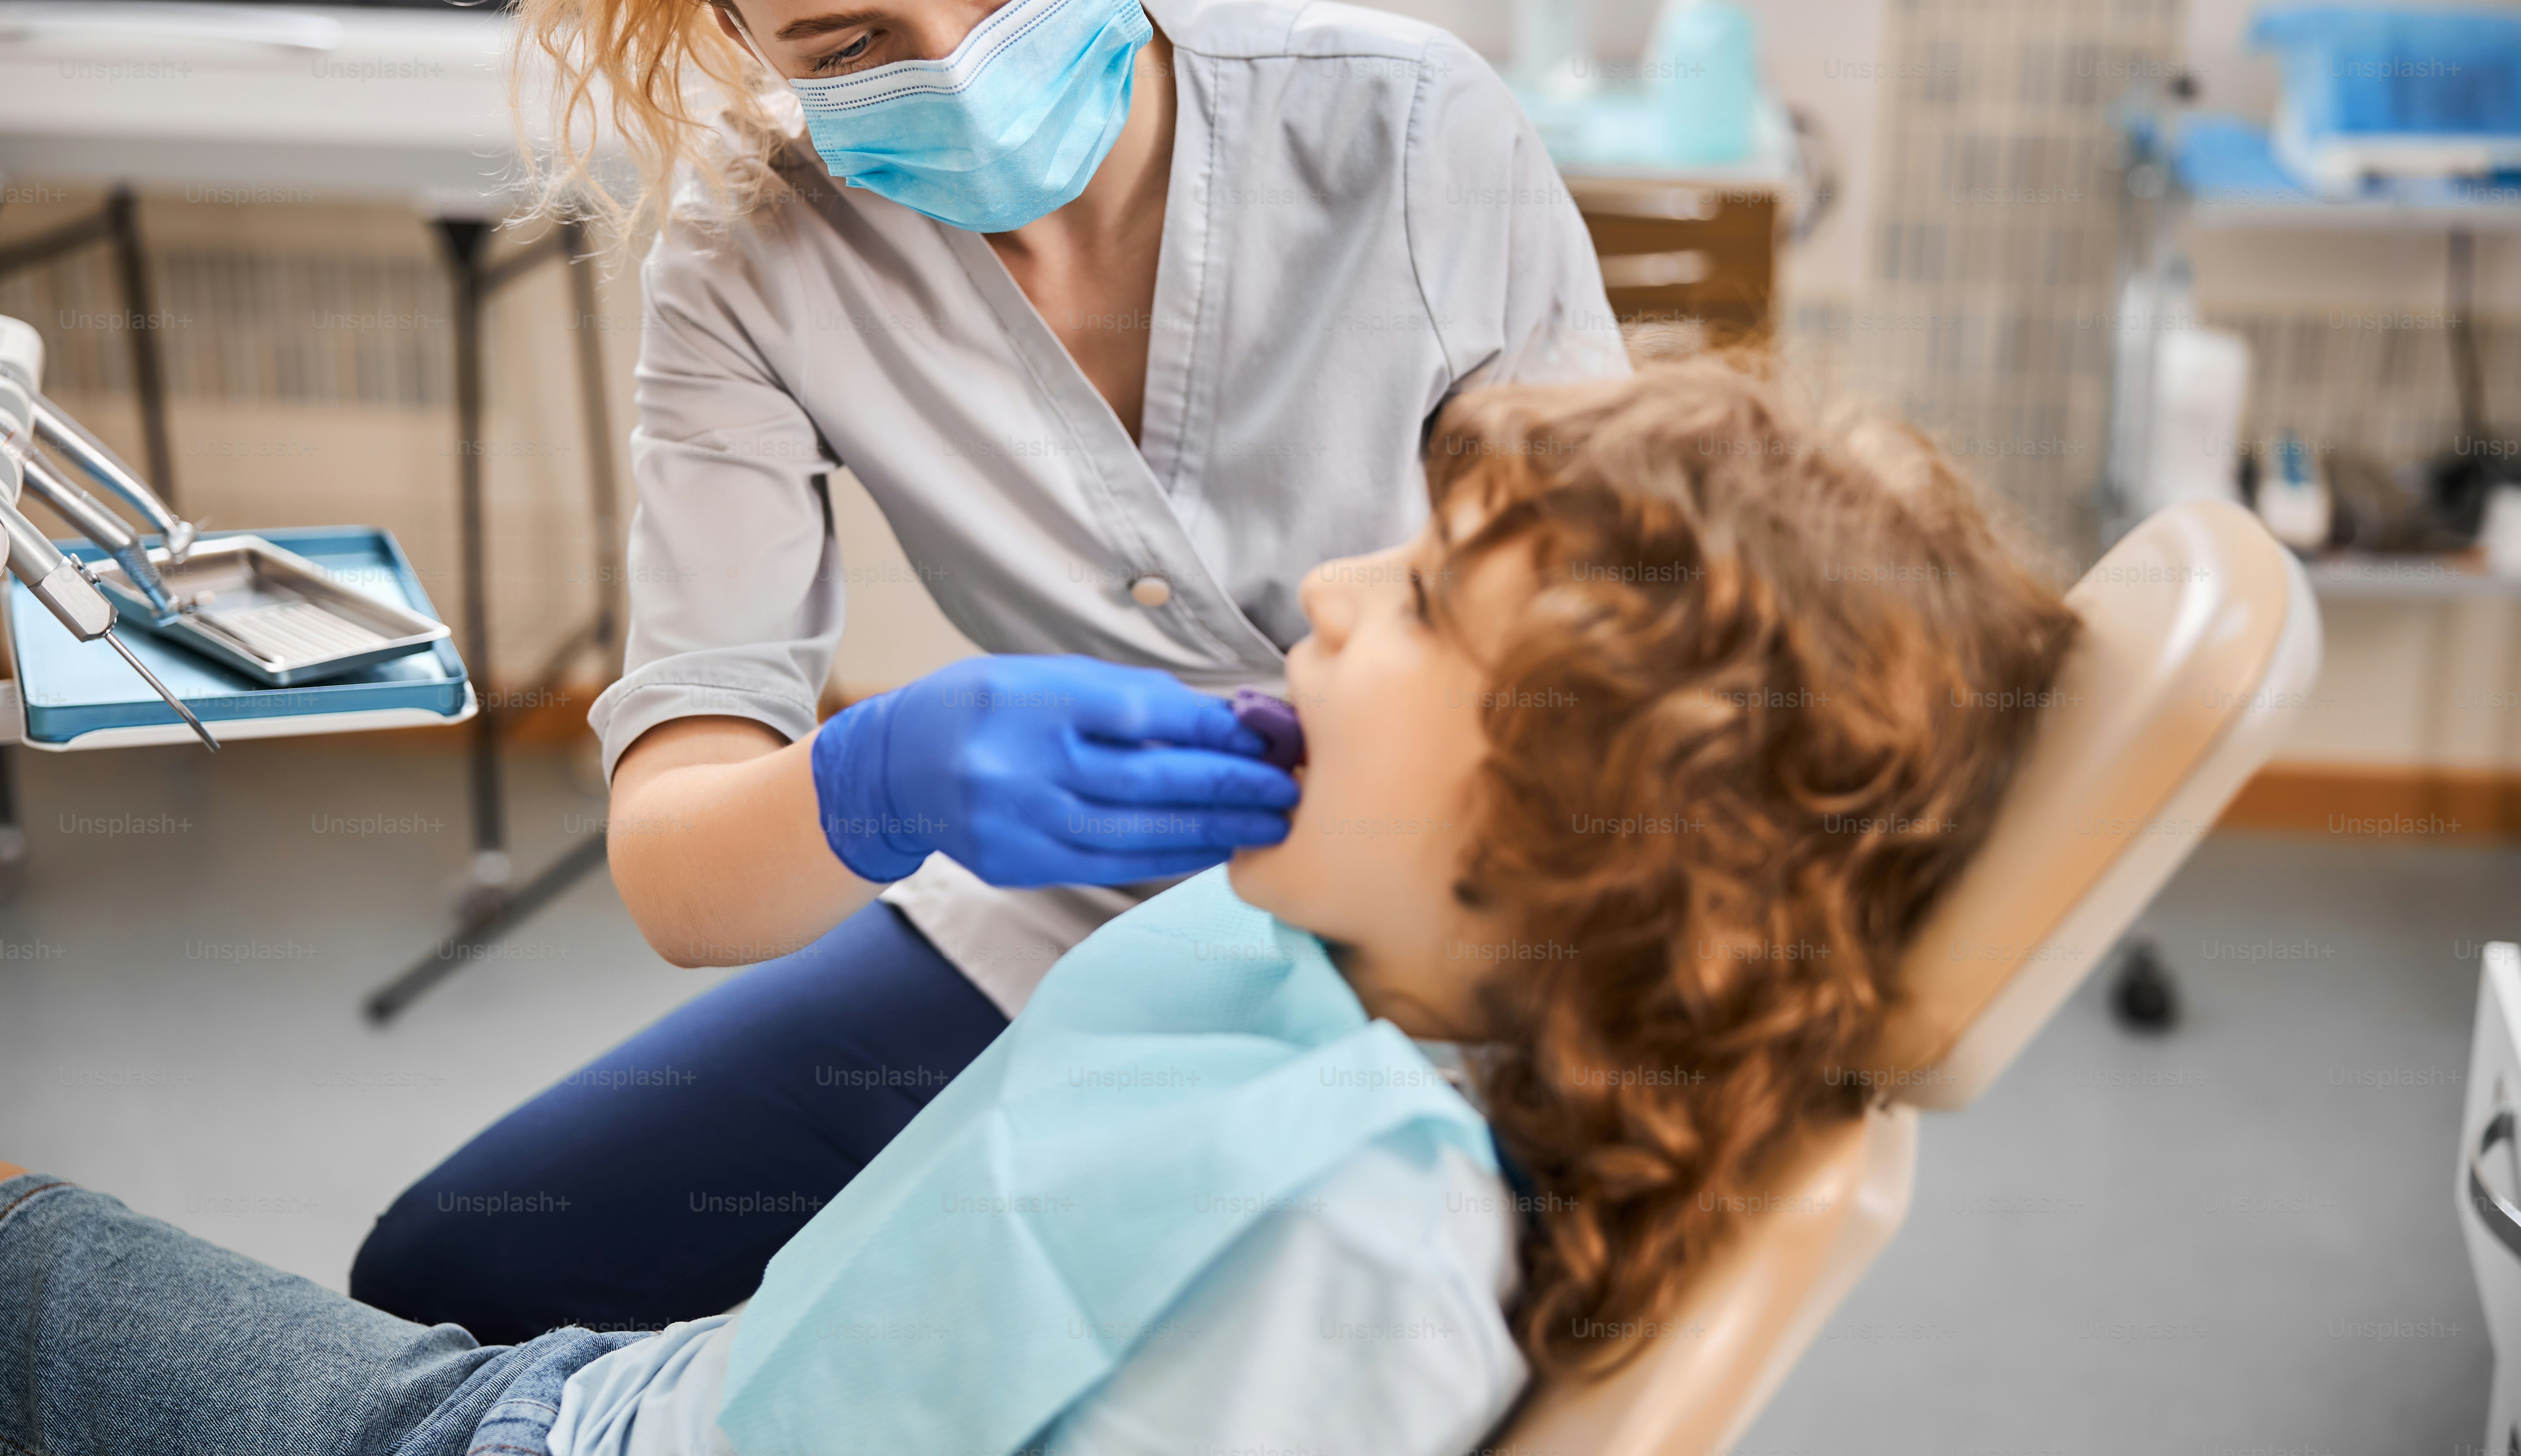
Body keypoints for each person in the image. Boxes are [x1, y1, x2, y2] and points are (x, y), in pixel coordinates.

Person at [0, 361, 2077, 1456]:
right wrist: (878, 780)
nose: (1335, 590)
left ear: (1569, 844)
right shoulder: (1331, 979)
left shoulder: (1361, 1238)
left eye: (1427, 602)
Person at [351, 0, 1634, 1342]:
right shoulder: (752, 255)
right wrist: (876, 782)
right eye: (845, 49)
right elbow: (682, 872)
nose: (960, 76)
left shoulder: (1410, 133)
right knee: (463, 1271)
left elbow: (1624, 685)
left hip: (1453, 937)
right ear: (734, 27)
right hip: (1067, 920)